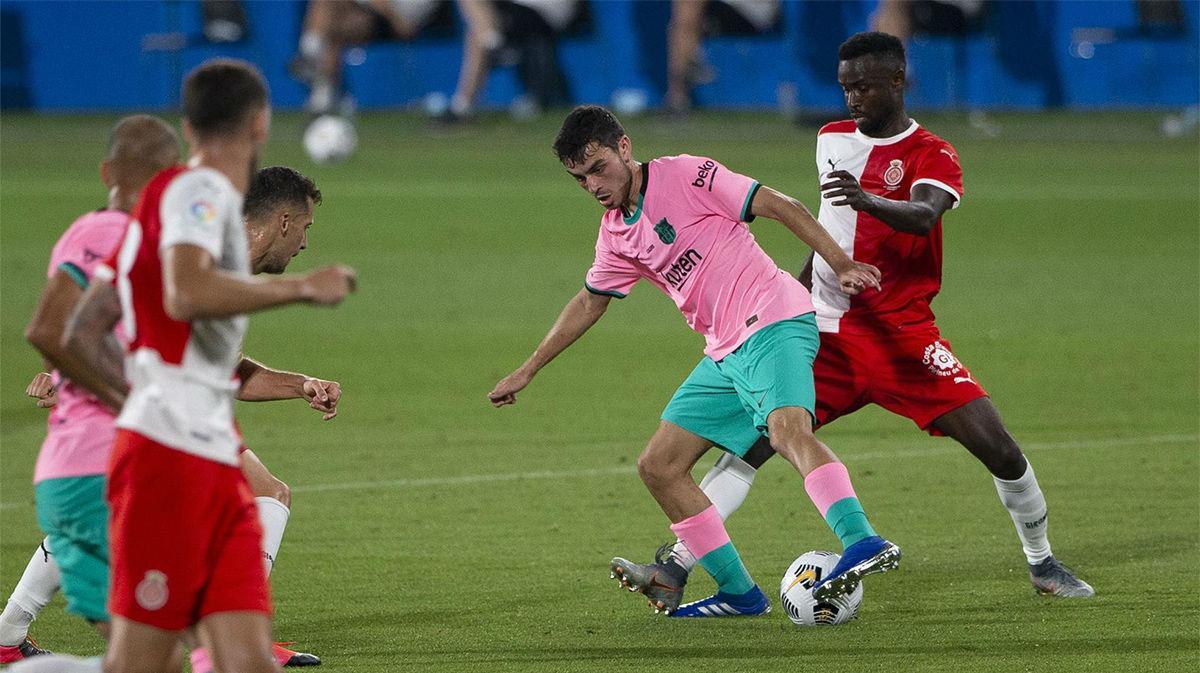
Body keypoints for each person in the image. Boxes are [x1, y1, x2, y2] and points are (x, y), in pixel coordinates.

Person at [621, 31, 1093, 604]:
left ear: (898, 81)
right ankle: (675, 565)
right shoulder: (830, 139)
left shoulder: (933, 153)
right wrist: (789, 293)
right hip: (826, 332)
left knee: (1000, 448)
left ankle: (1042, 563)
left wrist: (870, 201)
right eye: (845, 87)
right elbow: (827, 228)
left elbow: (924, 216)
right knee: (757, 445)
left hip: (903, 336)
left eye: (864, 86)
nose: (853, 99)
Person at [11, 59, 356, 673]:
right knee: (145, 666)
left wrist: (131, 388)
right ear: (259, 122)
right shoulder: (197, 196)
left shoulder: (160, 209)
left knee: (240, 662)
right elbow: (186, 294)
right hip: (169, 460)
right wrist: (302, 288)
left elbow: (87, 328)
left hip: (208, 450)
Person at [489, 104, 898, 618]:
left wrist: (840, 264)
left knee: (788, 432)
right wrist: (528, 369)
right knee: (659, 466)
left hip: (773, 319)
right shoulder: (616, 232)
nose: (592, 185)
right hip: (724, 351)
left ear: (625, 148)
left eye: (599, 169)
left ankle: (862, 540)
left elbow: (778, 204)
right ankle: (740, 594)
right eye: (579, 178)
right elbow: (590, 300)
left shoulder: (685, 174)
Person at [292, 0, 452, 113]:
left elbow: (405, 23)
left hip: (398, 23)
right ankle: (315, 68)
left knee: (335, 30)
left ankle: (316, 74)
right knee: (329, 14)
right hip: (377, 14)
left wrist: (388, 12)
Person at [440, 0, 578, 122]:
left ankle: (493, 45)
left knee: (479, 28)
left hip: (545, 12)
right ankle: (493, 43)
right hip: (531, 10)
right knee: (477, 30)